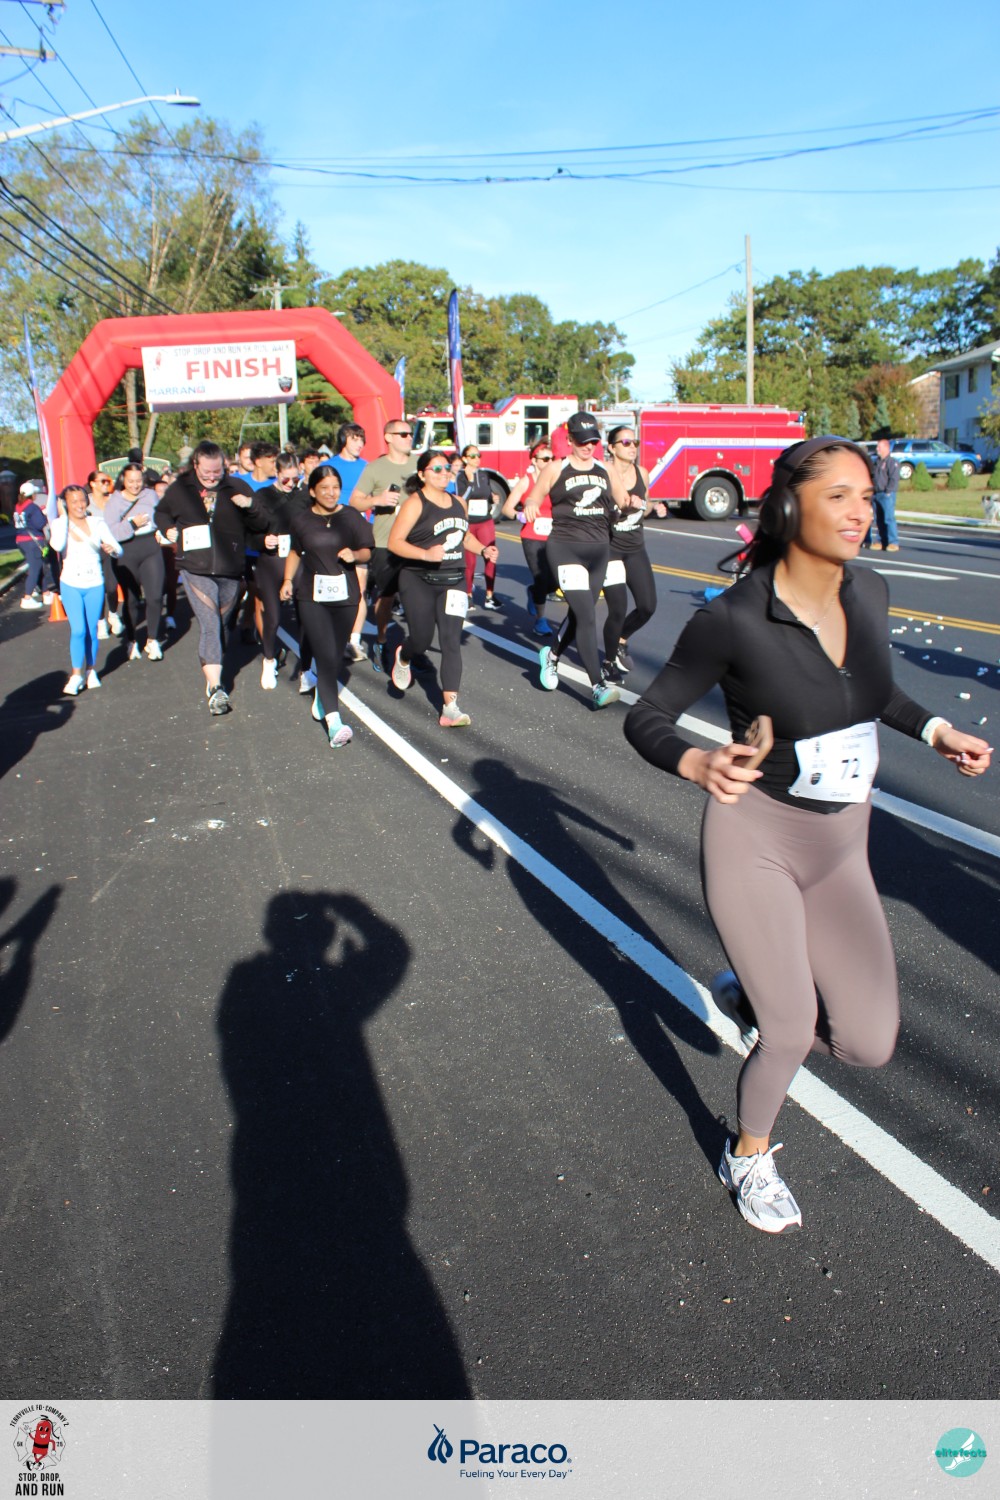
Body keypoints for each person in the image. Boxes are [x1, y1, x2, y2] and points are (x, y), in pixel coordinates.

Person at [623, 436, 992, 1234]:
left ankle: (750, 996)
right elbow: (646, 716)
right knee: (790, 1031)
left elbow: (875, 694)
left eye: (865, 494)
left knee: (869, 1043)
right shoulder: (733, 620)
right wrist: (696, 762)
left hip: (842, 846)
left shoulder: (871, 592)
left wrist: (936, 731)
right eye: (839, 496)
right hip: (756, 837)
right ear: (789, 508)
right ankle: (748, 1152)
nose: (861, 510)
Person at [523, 409, 631, 708]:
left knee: (578, 615)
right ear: (570, 440)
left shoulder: (605, 469)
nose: (588, 446)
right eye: (582, 441)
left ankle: (551, 655)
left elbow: (623, 501)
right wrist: (531, 505)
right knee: (587, 616)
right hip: (566, 548)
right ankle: (597, 686)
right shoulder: (556, 468)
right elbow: (534, 495)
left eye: (593, 441)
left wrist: (633, 503)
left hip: (599, 551)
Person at [153, 441, 269, 715]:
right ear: (196, 466)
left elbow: (262, 523)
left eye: (217, 472)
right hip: (195, 566)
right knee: (210, 623)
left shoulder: (237, 486)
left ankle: (212, 665)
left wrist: (250, 506)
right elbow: (161, 513)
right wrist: (168, 529)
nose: (212, 477)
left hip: (231, 568)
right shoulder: (181, 489)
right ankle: (217, 687)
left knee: (222, 624)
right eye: (207, 473)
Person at [386, 449, 497, 727]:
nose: (444, 473)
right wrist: (425, 554)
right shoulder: (415, 503)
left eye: (447, 468)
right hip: (418, 579)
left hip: (454, 579)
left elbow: (464, 537)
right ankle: (405, 655)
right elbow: (394, 542)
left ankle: (450, 708)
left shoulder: (459, 502)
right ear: (422, 474)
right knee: (422, 640)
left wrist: (483, 550)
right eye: (436, 469)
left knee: (450, 641)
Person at [280, 465, 374, 747]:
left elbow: (367, 551)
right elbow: (295, 551)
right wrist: (287, 580)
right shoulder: (301, 520)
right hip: (313, 597)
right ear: (312, 491)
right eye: (324, 488)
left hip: (346, 597)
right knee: (324, 655)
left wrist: (354, 554)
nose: (331, 493)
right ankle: (334, 723)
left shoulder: (351, 517)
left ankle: (322, 697)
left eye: (335, 488)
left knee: (333, 656)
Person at [350, 420, 417, 671]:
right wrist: (378, 499)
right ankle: (381, 640)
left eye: (410, 434)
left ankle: (413, 648)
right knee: (387, 598)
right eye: (403, 434)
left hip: (416, 542)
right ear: (388, 437)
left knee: (417, 599)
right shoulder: (375, 468)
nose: (409, 438)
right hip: (384, 543)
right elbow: (355, 501)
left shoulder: (419, 464)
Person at [49, 484, 122, 694]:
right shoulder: (59, 524)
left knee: (91, 630)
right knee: (78, 630)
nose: (79, 505)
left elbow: (118, 549)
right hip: (71, 583)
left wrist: (112, 548)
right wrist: (64, 518)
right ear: (65, 504)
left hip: (94, 583)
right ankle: (76, 675)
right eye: (73, 502)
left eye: (82, 500)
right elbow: (57, 546)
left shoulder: (97, 522)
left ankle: (91, 670)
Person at [601, 424, 657, 682]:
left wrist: (650, 506)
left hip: (635, 548)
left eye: (635, 442)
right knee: (617, 608)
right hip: (610, 549)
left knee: (647, 607)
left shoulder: (642, 473)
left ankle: (621, 638)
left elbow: (646, 506)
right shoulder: (604, 472)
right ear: (612, 448)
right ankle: (609, 661)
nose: (632, 446)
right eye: (626, 443)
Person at [103, 462, 166, 660]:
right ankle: (131, 640)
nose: (135, 485)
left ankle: (152, 640)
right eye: (131, 481)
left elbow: (159, 517)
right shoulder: (114, 501)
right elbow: (111, 532)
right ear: (123, 480)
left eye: (138, 481)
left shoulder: (150, 495)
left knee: (155, 596)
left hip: (150, 547)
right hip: (126, 551)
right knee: (131, 600)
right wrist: (132, 524)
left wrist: (161, 528)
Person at [255, 453, 308, 689]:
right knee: (273, 618)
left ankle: (307, 667)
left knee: (306, 616)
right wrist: (262, 540)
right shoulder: (263, 495)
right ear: (276, 473)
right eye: (286, 479)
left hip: (297, 559)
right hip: (271, 561)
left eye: (295, 479)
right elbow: (251, 528)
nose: (290, 484)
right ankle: (268, 660)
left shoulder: (303, 495)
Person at [503, 440, 557, 637]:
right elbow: (506, 508)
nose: (549, 462)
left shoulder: (556, 481)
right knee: (541, 577)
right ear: (534, 461)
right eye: (545, 459)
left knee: (557, 580)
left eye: (552, 459)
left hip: (555, 536)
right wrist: (519, 515)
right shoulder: (526, 481)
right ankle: (540, 621)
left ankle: (533, 592)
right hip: (532, 536)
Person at [329, 423, 371, 661]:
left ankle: (354, 641)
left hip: (360, 532)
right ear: (344, 439)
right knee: (336, 585)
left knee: (360, 586)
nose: (360, 444)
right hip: (334, 532)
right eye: (355, 439)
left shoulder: (368, 467)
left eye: (362, 440)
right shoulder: (329, 466)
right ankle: (335, 634)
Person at [455, 444, 500, 611]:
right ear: (465, 459)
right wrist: (470, 481)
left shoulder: (484, 474)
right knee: (470, 561)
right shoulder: (461, 476)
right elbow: (462, 497)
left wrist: (493, 498)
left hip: (485, 520)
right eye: (472, 456)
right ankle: (468, 595)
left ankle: (490, 595)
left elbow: (487, 494)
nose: (476, 459)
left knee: (491, 556)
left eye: (478, 455)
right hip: (469, 522)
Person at [86, 469, 122, 637]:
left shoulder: (113, 500)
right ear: (92, 484)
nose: (107, 484)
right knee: (98, 587)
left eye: (108, 481)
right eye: (103, 481)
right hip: (93, 550)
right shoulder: (86, 502)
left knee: (111, 586)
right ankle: (100, 621)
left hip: (111, 548)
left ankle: (113, 614)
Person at [12, 481, 54, 611]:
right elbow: (39, 524)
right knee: (35, 569)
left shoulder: (18, 507)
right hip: (33, 541)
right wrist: (44, 514)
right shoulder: (33, 507)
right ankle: (27, 597)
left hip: (21, 541)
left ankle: (46, 593)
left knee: (38, 567)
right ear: (32, 494)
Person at [871, 437, 900, 552]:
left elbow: (894, 479)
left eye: (879, 447)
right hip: (876, 493)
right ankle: (880, 541)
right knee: (878, 519)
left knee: (888, 518)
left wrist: (888, 491)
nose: (877, 449)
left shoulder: (892, 462)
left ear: (886, 448)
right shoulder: (877, 462)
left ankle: (893, 542)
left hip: (886, 494)